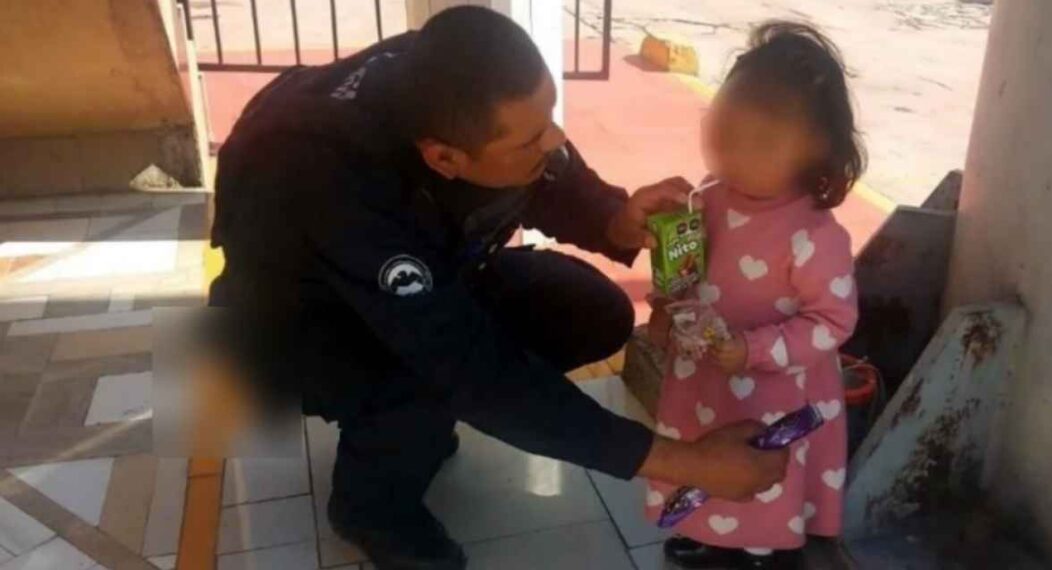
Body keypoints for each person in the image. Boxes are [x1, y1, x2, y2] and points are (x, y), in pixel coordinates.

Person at [208, 6, 789, 570]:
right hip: (284, 334)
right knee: (437, 374)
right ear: (444, 158)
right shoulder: (331, 178)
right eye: (532, 138)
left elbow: (556, 179)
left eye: (551, 117)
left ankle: (410, 425)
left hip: (410, 285)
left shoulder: (460, 85)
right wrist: (685, 463)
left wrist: (617, 218)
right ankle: (370, 505)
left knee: (589, 311)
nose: (555, 138)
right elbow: (465, 363)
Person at [644, 21, 864, 570]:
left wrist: (754, 350)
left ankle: (763, 547)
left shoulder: (815, 236)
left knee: (762, 467)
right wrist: (668, 307)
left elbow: (832, 323)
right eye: (723, 133)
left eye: (760, 144)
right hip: (705, 377)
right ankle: (706, 530)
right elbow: (689, 274)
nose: (734, 156)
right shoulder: (709, 197)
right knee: (704, 449)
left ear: (817, 156)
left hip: (774, 386)